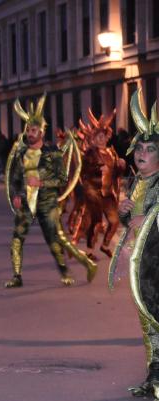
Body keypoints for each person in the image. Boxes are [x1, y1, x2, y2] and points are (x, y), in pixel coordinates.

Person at [5, 94, 96, 288]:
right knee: (16, 238)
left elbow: (62, 179)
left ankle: (71, 269)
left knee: (55, 240)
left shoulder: (52, 153)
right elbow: (14, 178)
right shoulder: (20, 153)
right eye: (28, 130)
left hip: (47, 201)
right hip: (26, 201)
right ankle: (17, 276)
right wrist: (15, 195)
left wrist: (42, 183)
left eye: (34, 130)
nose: (30, 133)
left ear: (41, 132)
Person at [110, 91, 159, 399]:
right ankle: (154, 378)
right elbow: (126, 222)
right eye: (139, 148)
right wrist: (125, 212)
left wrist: (151, 218)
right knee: (147, 323)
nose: (141, 154)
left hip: (156, 261)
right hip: (139, 265)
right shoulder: (134, 181)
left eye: (150, 149)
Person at [75, 109, 125, 258]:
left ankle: (104, 245)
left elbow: (116, 173)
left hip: (108, 193)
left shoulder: (112, 153)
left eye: (104, 136)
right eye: (99, 137)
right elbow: (83, 171)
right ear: (94, 139)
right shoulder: (90, 154)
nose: (102, 139)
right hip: (93, 192)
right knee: (96, 222)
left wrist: (120, 165)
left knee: (114, 222)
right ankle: (90, 251)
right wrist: (97, 168)